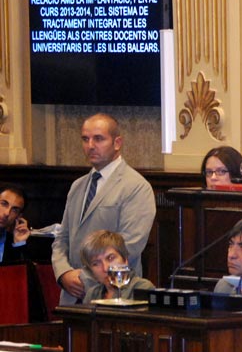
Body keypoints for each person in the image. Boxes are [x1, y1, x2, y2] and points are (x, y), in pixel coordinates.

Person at [52, 113, 156, 304]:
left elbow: (129, 245)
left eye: (98, 139)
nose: (90, 145)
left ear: (117, 143)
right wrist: (64, 273)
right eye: (85, 139)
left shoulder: (136, 186)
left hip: (115, 294)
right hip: (70, 295)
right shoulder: (78, 186)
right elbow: (62, 238)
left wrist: (84, 276)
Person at [79, 230, 155, 304]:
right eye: (96, 263)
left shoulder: (142, 287)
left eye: (110, 258)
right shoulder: (92, 294)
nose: (105, 269)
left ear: (125, 259)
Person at [0, 184, 29, 265]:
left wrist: (19, 243)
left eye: (14, 210)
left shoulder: (13, 243)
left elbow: (21, 274)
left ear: (18, 217)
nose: (7, 213)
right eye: (3, 204)